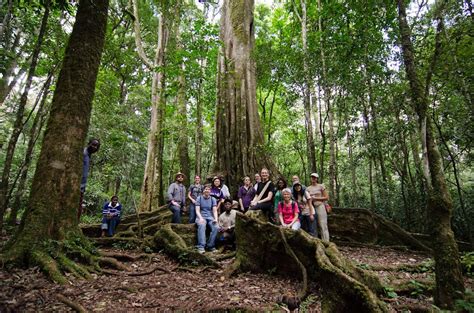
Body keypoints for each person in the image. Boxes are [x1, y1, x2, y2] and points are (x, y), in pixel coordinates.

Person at [79, 138, 100, 220]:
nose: (95, 147)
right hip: (78, 185)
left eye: (97, 146)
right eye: (93, 144)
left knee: (79, 207)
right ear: (89, 143)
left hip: (82, 186)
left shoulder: (88, 155)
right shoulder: (84, 153)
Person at [195, 186, 219, 253]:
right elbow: (197, 211)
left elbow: (214, 211)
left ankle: (210, 245)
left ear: (210, 191)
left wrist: (216, 219)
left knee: (216, 227)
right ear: (203, 190)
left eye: (208, 189)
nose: (207, 190)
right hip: (200, 216)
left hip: (210, 217)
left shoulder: (213, 199)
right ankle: (201, 247)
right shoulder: (199, 198)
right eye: (206, 189)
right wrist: (200, 218)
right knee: (202, 225)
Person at [307, 173, 330, 241]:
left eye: (315, 177)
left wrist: (316, 198)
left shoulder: (321, 186)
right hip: (311, 208)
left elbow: (326, 197)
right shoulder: (308, 188)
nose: (313, 179)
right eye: (312, 177)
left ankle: (326, 242)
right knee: (313, 226)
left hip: (320, 206)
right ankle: (316, 242)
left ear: (317, 179)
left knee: (322, 225)